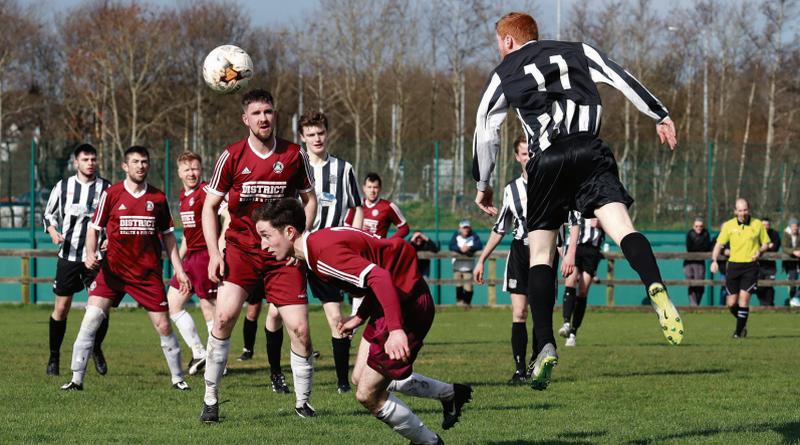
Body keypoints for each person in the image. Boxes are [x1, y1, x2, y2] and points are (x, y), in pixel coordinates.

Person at [473, 12, 684, 390]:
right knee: (622, 228)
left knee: (541, 254)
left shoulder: (504, 71)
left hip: (546, 160)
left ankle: (546, 344)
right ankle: (655, 286)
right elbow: (622, 78)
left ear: (507, 41)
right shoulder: (579, 51)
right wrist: (660, 113)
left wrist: (483, 181)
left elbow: (486, 125)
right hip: (590, 149)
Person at [253, 198, 472, 445]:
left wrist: (396, 330)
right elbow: (377, 271)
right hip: (394, 297)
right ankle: (450, 394)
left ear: (289, 232)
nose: (263, 245)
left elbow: (379, 276)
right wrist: (358, 317)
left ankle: (429, 442)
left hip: (406, 303)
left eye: (266, 235)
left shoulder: (323, 255)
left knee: (368, 394)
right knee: (359, 377)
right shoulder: (318, 242)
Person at [200, 89, 318, 422]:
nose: (263, 118)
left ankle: (303, 403)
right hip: (241, 252)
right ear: (245, 119)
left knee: (300, 330)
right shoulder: (232, 156)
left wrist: (299, 240)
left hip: (282, 257)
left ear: (274, 115)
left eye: (268, 112)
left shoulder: (294, 155)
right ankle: (210, 399)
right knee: (223, 319)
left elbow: (310, 201)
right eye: (256, 113)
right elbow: (209, 206)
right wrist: (213, 253)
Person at [60, 146, 191, 391]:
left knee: (163, 325)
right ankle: (76, 379)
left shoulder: (158, 198)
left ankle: (177, 379)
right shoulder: (112, 194)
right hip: (113, 273)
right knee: (90, 320)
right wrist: (90, 254)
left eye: (144, 162)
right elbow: (94, 228)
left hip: (146, 274)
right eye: (135, 162)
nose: (140, 166)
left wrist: (179, 270)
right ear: (125, 166)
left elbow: (169, 237)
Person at [283, 110, 364, 394]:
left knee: (335, 318)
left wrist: (354, 239)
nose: (317, 138)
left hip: (328, 255)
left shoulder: (344, 169)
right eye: (311, 134)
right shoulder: (294, 170)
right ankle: (276, 376)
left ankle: (342, 381)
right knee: (276, 316)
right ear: (302, 138)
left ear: (327, 134)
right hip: (297, 252)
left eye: (321, 133)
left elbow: (357, 208)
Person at [474, 135, 539, 383]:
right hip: (520, 253)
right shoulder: (511, 190)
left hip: (544, 254)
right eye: (524, 154)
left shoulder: (551, 184)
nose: (528, 158)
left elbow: (564, 224)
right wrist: (481, 260)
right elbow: (500, 228)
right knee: (519, 312)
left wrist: (568, 254)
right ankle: (520, 370)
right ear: (517, 157)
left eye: (531, 153)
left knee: (540, 312)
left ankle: (537, 365)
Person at [43, 143, 111, 377]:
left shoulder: (106, 188)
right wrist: (53, 232)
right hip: (69, 257)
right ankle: (54, 356)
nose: (90, 163)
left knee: (101, 309)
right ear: (76, 163)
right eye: (85, 159)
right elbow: (48, 215)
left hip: (95, 259)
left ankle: (96, 349)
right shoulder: (63, 187)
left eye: (93, 159)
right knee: (61, 309)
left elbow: (114, 220)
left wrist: (108, 239)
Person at [166, 151, 226, 376]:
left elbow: (227, 215)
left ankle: (217, 360)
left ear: (201, 170)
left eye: (195, 168)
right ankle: (200, 352)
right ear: (179, 172)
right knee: (173, 303)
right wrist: (178, 263)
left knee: (210, 307)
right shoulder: (183, 195)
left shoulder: (206, 191)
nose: (191, 173)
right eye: (187, 169)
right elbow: (187, 236)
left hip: (205, 257)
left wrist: (218, 249)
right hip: (191, 257)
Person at [710, 198, 770, 338]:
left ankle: (738, 333)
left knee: (743, 300)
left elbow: (766, 243)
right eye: (740, 210)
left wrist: (760, 251)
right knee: (731, 303)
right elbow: (719, 244)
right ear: (735, 211)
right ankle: (742, 323)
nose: (742, 213)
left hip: (750, 266)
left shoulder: (757, 224)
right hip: (733, 267)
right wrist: (714, 260)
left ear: (748, 210)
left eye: (745, 210)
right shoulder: (729, 226)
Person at [558, 211, 605, 347]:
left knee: (583, 290)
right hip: (574, 246)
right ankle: (566, 323)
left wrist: (601, 223)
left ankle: (573, 333)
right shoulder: (574, 199)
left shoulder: (600, 202)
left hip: (592, 250)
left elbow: (612, 223)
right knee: (570, 281)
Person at [345, 172, 409, 239]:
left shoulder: (388, 206)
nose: (372, 190)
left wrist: (390, 242)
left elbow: (404, 228)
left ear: (380, 188)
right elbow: (346, 226)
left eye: (375, 187)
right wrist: (357, 227)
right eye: (369, 187)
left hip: (378, 248)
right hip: (359, 246)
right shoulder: (356, 206)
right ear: (364, 188)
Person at [449, 220, 482, 307]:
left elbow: (479, 245)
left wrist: (469, 247)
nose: (466, 230)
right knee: (458, 287)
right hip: (457, 267)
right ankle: (459, 305)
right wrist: (460, 249)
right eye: (464, 228)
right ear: (460, 229)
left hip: (468, 267)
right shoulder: (455, 236)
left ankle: (467, 305)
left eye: (467, 227)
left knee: (468, 288)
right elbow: (451, 246)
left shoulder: (474, 235)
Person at [684, 217, 712, 306]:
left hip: (700, 263)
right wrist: (701, 248)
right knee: (691, 283)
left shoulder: (706, 234)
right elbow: (690, 248)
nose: (699, 228)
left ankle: (697, 305)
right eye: (696, 226)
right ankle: (693, 305)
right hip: (689, 262)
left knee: (700, 284)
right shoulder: (690, 234)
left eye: (701, 226)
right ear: (693, 226)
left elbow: (707, 247)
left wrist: (700, 249)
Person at [755, 217, 780, 306]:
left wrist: (764, 247)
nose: (765, 226)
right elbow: (755, 247)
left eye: (767, 225)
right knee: (759, 286)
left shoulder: (774, 234)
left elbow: (775, 248)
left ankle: (770, 305)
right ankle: (763, 305)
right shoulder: (756, 233)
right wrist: (767, 246)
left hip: (770, 266)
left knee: (769, 285)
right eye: (763, 225)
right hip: (758, 266)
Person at [782, 217, 800, 305]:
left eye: (796, 226)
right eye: (793, 226)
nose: (795, 228)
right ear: (790, 227)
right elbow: (784, 247)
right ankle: (793, 301)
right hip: (790, 263)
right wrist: (794, 251)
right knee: (792, 282)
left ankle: (796, 297)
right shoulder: (786, 233)